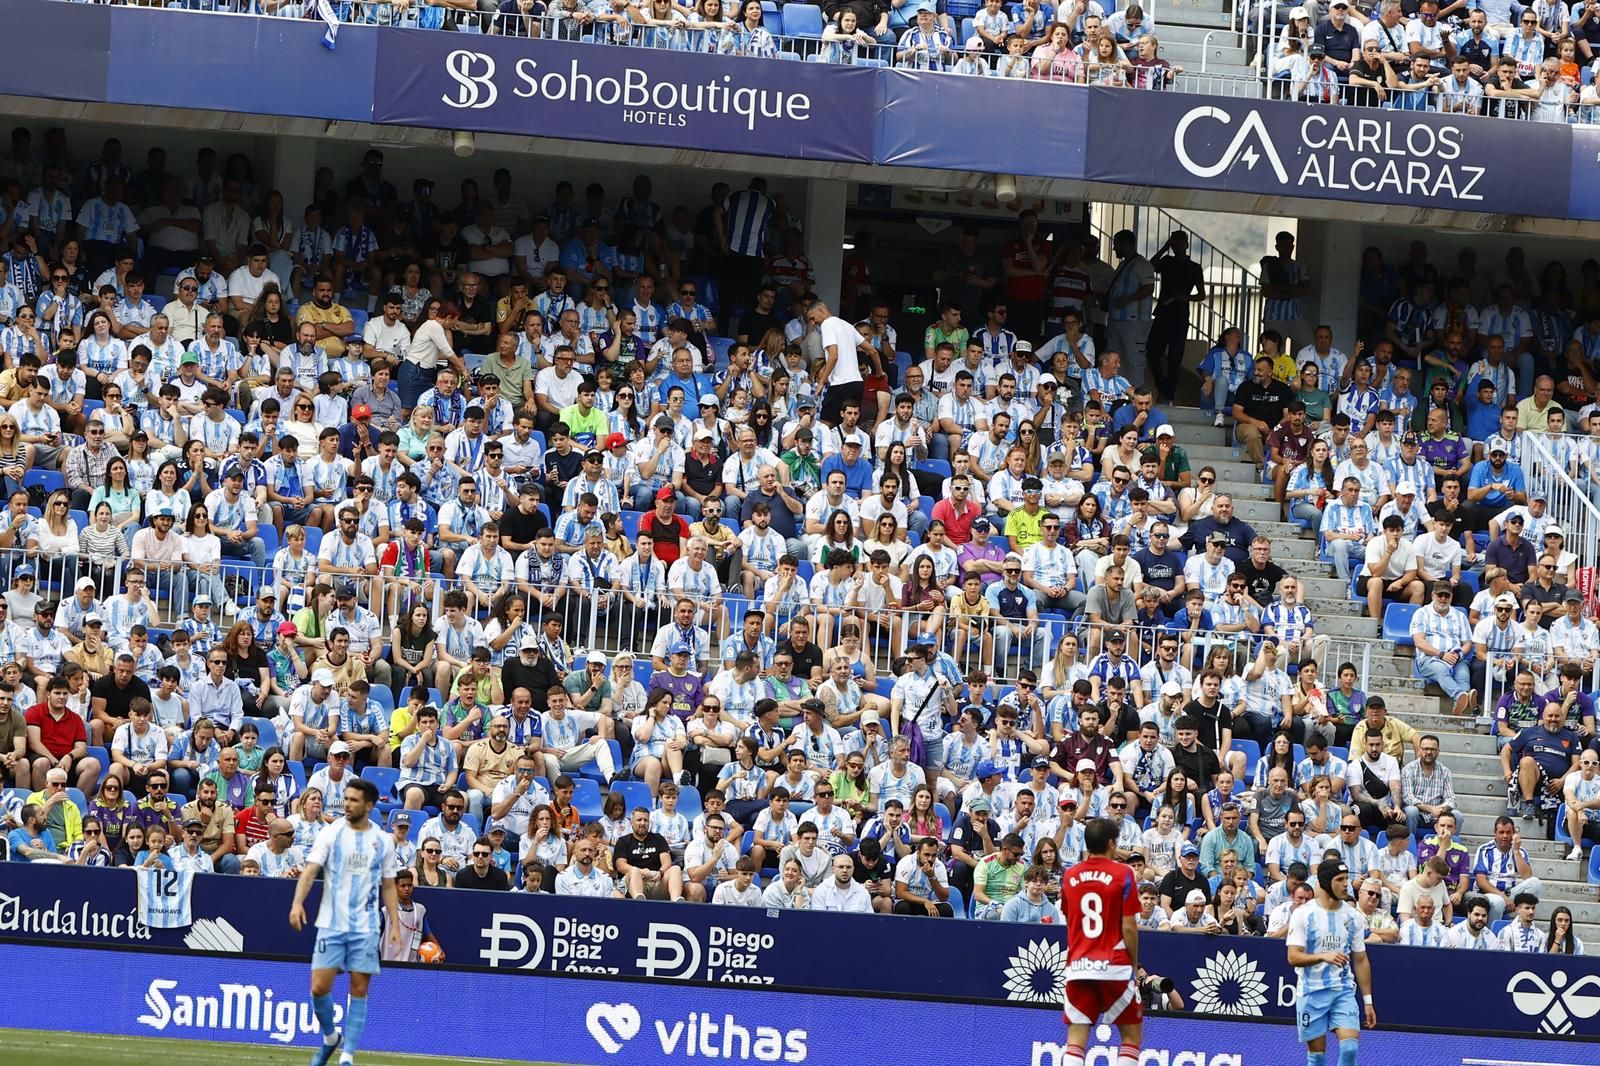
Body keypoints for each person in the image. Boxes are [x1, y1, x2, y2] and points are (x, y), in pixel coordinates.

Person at [288, 778, 400, 1066]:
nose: (347, 804)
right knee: (318, 987)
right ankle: (329, 1037)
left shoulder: (382, 841)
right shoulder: (332, 832)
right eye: (346, 798)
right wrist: (298, 902)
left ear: (369, 805)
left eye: (353, 800)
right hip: (331, 922)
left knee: (359, 988)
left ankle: (347, 1055)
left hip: (365, 925)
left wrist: (396, 925)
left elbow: (389, 885)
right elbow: (311, 869)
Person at [1060, 818, 1142, 1066]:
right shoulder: (1124, 873)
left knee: (1075, 1039)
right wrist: (1134, 964)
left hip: (1078, 965)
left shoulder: (1070, 876)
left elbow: (1069, 919)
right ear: (1111, 843)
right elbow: (1128, 926)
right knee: (1130, 1037)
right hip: (1114, 964)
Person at [1286, 859, 1376, 1066]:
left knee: (1350, 1048)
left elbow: (1360, 959)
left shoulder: (1354, 917)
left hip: (1342, 990)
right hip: (1311, 991)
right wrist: (1322, 956)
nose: (1346, 884)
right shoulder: (1304, 914)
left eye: (1347, 878)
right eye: (1340, 879)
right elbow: (1293, 957)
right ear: (1326, 883)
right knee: (1317, 1058)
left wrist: (1368, 1001)